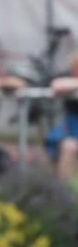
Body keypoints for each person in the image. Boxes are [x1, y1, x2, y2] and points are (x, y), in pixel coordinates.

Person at [47, 51, 78, 183]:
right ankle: (67, 193)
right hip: (71, 130)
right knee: (69, 146)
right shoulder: (68, 78)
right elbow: (57, 85)